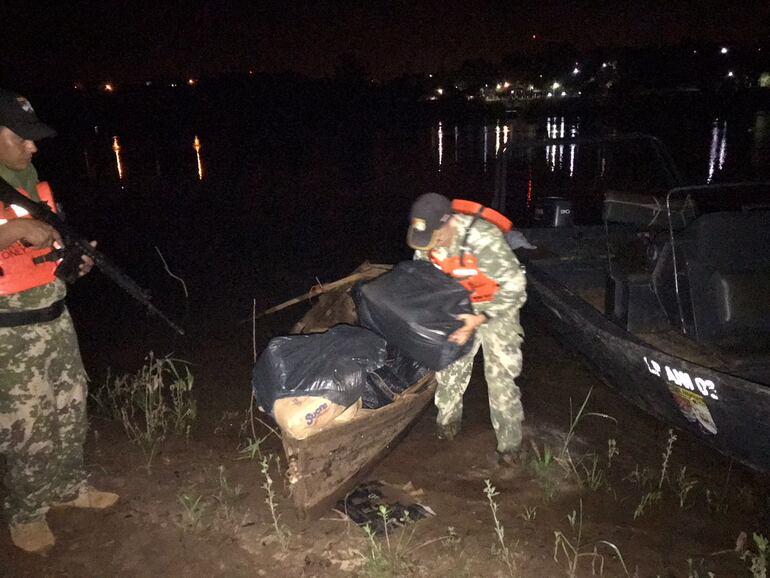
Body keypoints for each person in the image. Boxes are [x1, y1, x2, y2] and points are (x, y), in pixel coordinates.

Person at [0, 89, 118, 554]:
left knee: (69, 406)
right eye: (21, 138)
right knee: (25, 425)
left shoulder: (32, 184)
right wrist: (11, 231)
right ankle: (26, 514)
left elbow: (44, 253)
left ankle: (67, 487)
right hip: (8, 332)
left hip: (54, 317)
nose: (32, 147)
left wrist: (73, 261)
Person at [407, 192, 527, 467]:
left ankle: (510, 449)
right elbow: (422, 280)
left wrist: (480, 318)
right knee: (449, 369)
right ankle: (446, 430)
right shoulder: (426, 243)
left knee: (500, 380)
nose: (429, 245)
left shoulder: (482, 238)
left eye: (435, 237)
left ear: (448, 222)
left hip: (497, 306)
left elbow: (516, 289)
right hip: (459, 305)